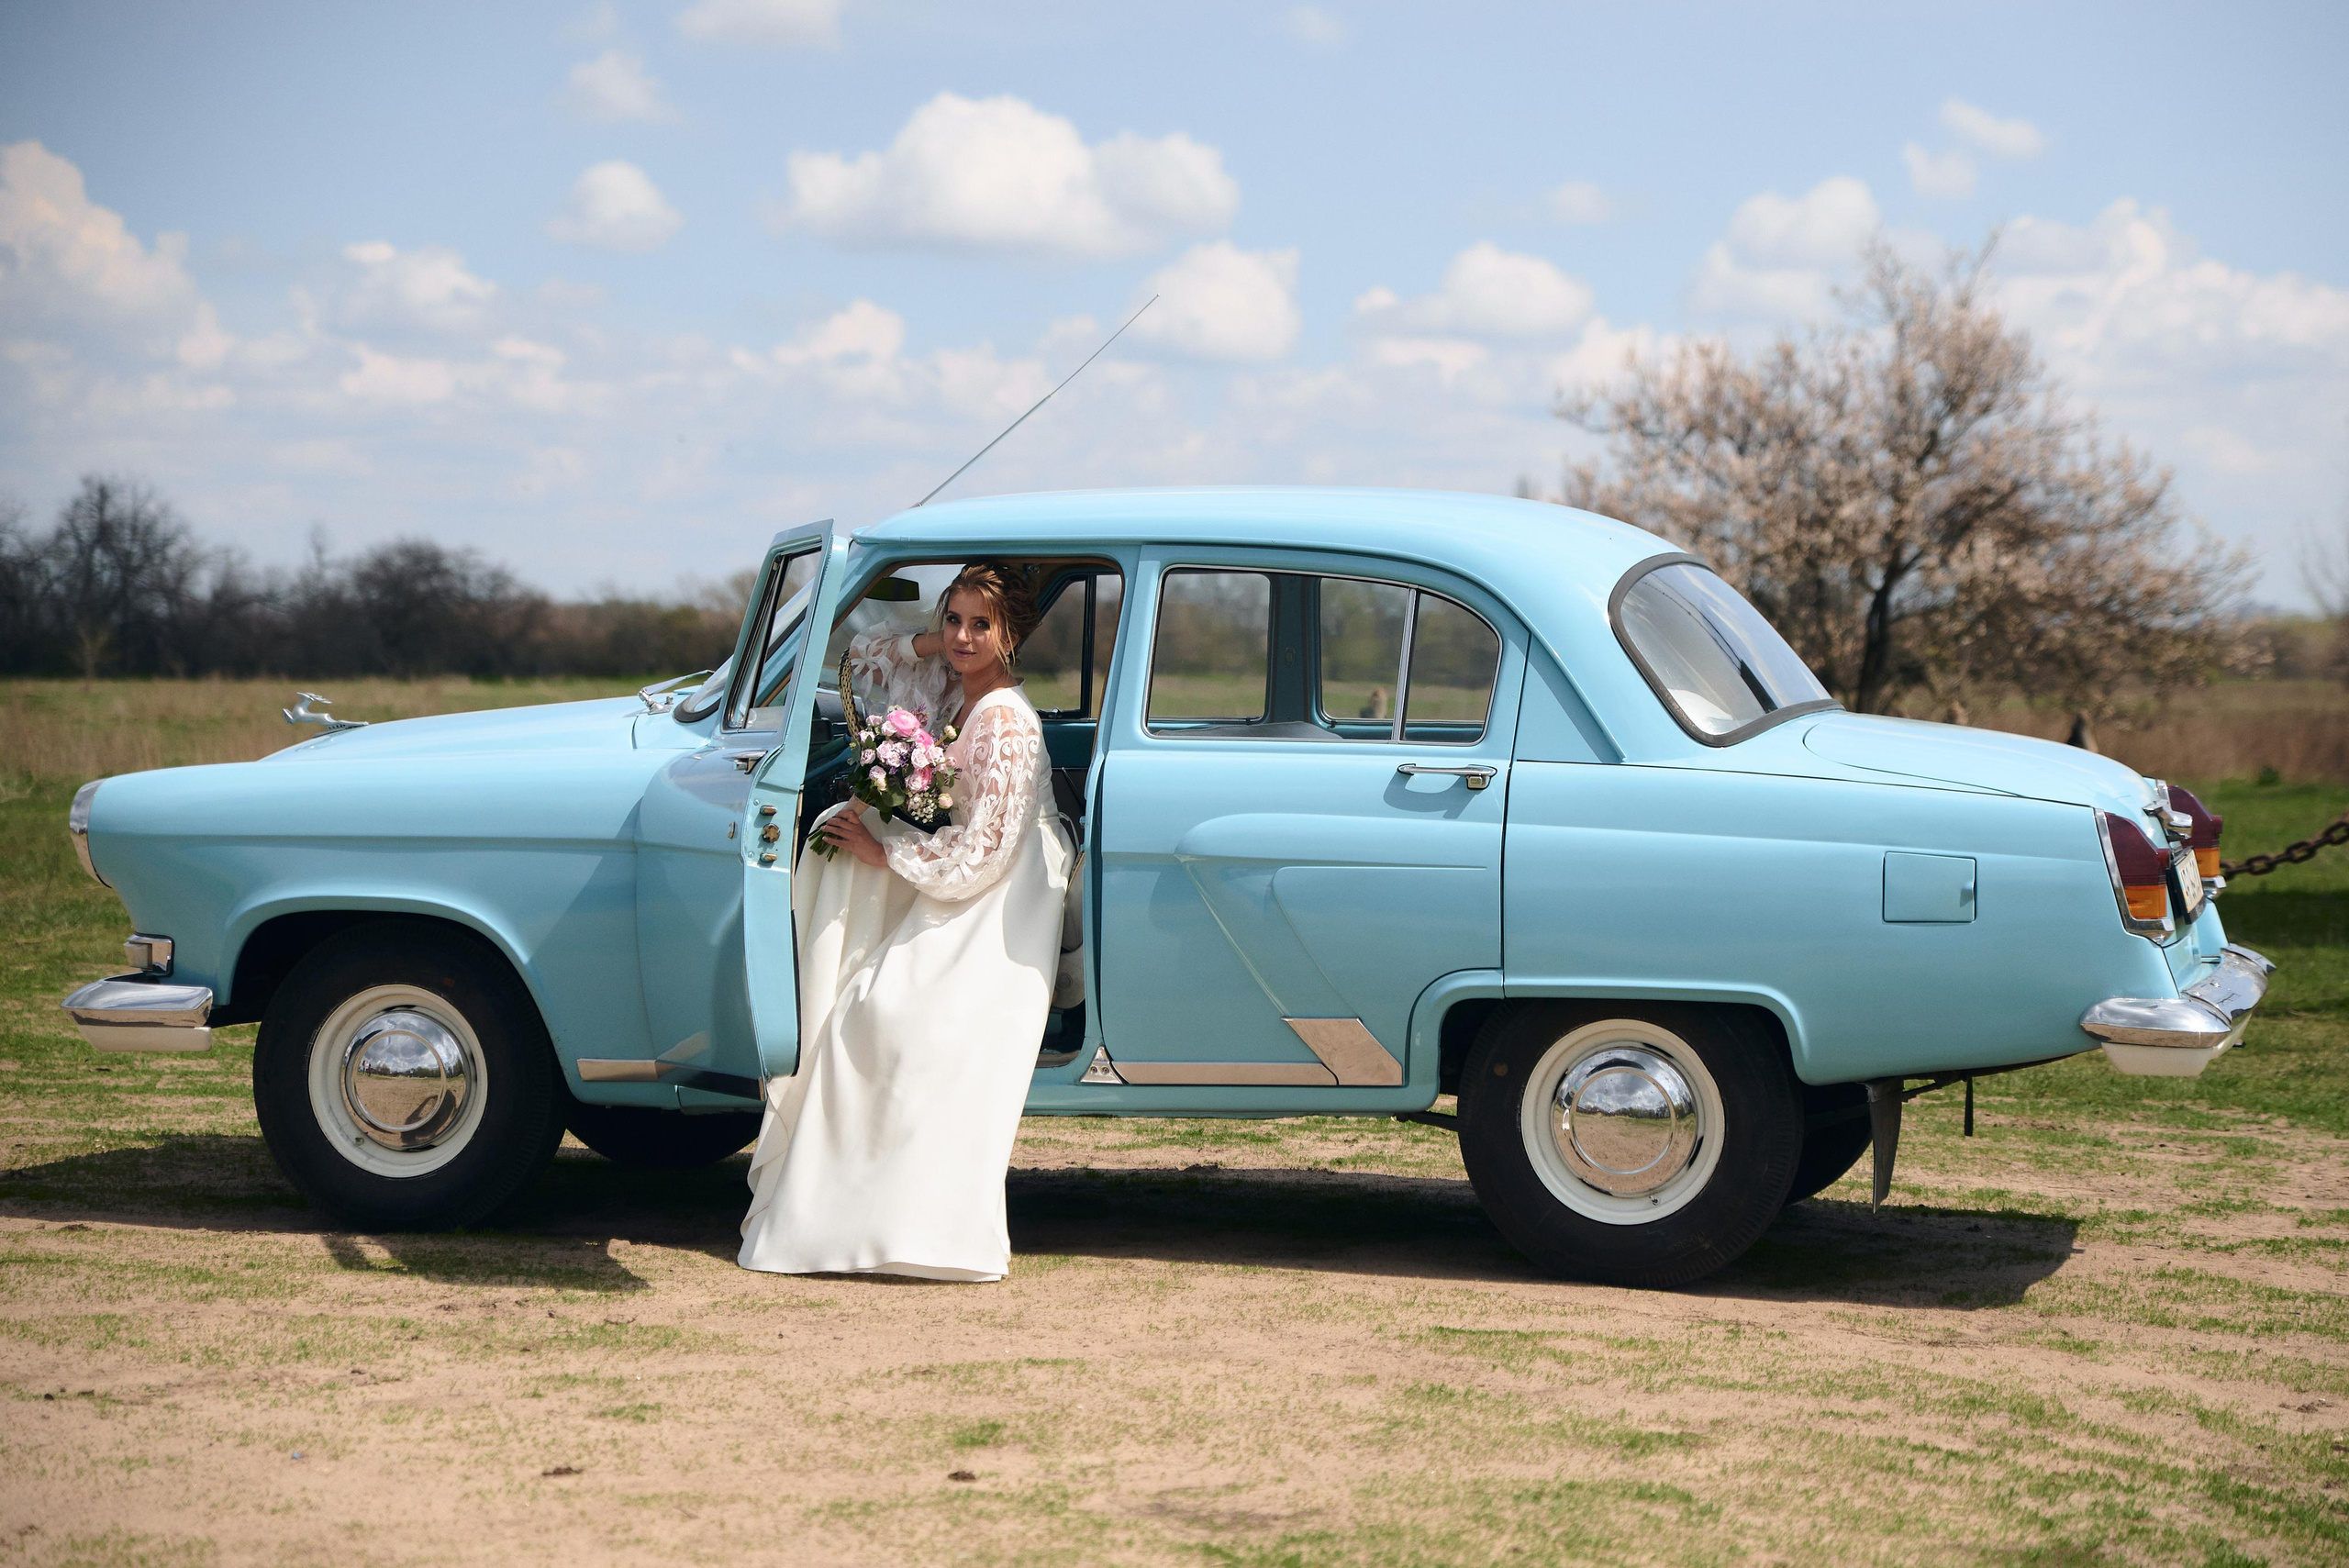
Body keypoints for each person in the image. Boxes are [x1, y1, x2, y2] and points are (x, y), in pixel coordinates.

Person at [738, 561, 1072, 1281]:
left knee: (881, 1011)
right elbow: (863, 654)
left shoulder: (1007, 721)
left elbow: (987, 849)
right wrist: (936, 644)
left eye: (981, 625)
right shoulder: (958, 686)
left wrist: (886, 852)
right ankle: (853, 1216)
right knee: (868, 999)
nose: (961, 635)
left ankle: (909, 1221)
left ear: (1011, 633)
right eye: (952, 618)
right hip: (963, 872)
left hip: (1005, 894)